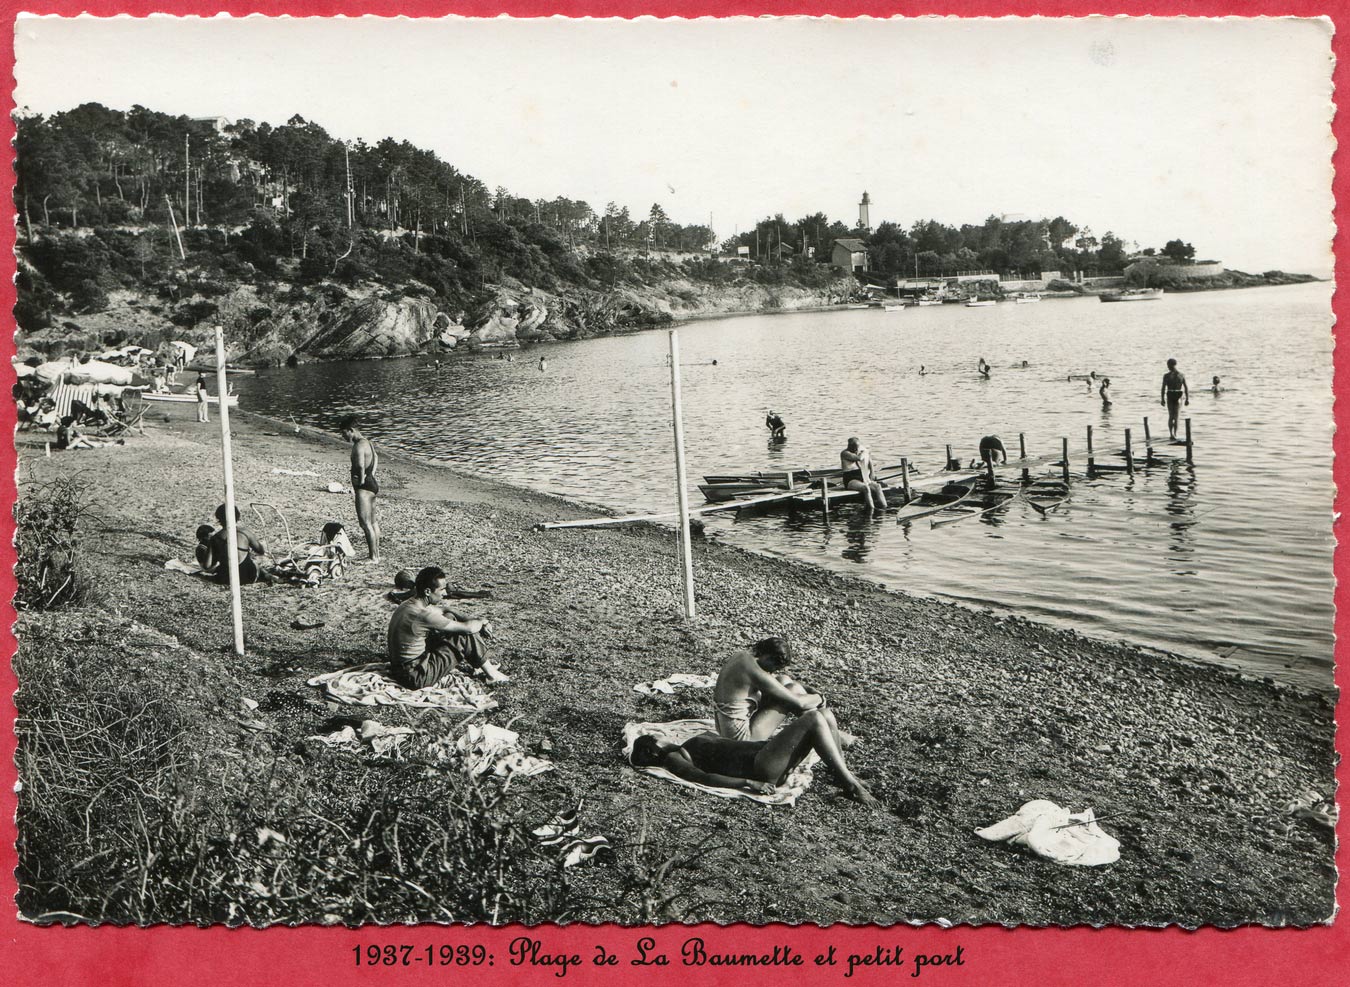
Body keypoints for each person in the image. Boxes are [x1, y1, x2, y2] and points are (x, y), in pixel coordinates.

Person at [629, 708, 877, 806]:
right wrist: (747, 783)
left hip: (765, 755)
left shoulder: (684, 746)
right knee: (812, 718)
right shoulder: (673, 758)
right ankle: (850, 785)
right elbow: (702, 777)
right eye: (656, 737)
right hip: (760, 766)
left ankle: (846, 774)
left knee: (825, 714)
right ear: (653, 750)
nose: (661, 735)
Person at [713, 636, 854, 744]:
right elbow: (800, 703)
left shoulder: (743, 657)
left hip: (725, 730)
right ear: (767, 656)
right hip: (741, 739)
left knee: (785, 680)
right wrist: (820, 698)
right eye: (774, 666)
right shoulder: (754, 671)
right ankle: (828, 732)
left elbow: (776, 682)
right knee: (794, 690)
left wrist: (809, 689)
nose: (773, 671)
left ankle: (827, 730)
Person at [387, 565, 508, 687]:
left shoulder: (410, 604)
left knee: (449, 616)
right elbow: (469, 629)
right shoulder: (424, 615)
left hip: (400, 669)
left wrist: (480, 620)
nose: (445, 593)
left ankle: (481, 663)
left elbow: (446, 610)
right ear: (428, 591)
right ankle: (492, 675)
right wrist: (482, 623)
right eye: (442, 589)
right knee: (463, 636)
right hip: (415, 676)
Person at [195, 504, 272, 585]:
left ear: (219, 518)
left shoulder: (215, 538)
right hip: (249, 577)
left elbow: (207, 566)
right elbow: (261, 551)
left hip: (227, 579)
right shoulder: (245, 533)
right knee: (254, 562)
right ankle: (268, 576)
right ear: (237, 517)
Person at [340, 415, 381, 563]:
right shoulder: (368, 443)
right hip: (372, 483)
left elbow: (360, 465)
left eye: (344, 433)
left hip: (364, 487)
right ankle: (376, 554)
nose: (343, 436)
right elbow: (376, 457)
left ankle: (373, 557)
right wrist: (371, 475)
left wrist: (361, 480)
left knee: (365, 523)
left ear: (351, 430)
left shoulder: (358, 446)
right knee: (373, 521)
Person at [840, 437, 887, 510]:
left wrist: (872, 472)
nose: (855, 449)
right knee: (866, 488)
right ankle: (871, 509)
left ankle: (884, 507)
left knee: (878, 486)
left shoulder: (861, 451)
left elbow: (869, 459)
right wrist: (865, 451)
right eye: (853, 447)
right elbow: (859, 458)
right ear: (849, 446)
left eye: (857, 447)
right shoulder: (845, 453)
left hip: (862, 476)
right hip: (851, 479)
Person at [1159, 358, 1190, 440]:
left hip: (1173, 394)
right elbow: (1186, 388)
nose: (1168, 367)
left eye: (1168, 365)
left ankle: (1173, 434)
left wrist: (1187, 399)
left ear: (1171, 365)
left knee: (1173, 416)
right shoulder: (1180, 375)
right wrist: (1187, 399)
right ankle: (1173, 434)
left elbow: (1186, 387)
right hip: (1175, 394)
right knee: (1174, 416)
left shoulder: (1169, 376)